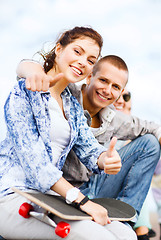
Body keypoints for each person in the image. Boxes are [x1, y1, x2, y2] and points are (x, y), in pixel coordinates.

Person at [0, 27, 137, 240]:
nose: (83, 62)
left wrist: (105, 159)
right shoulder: (24, 92)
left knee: (126, 235)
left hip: (49, 198)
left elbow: (89, 148)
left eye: (91, 60)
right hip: (13, 195)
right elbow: (37, 165)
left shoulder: (71, 105)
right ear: (58, 49)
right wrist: (83, 201)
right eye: (77, 52)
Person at [16, 54, 161, 237]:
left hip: (94, 188)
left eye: (115, 87)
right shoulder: (68, 95)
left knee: (149, 143)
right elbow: (24, 69)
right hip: (61, 187)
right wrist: (35, 72)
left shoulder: (114, 119)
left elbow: (153, 128)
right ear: (90, 77)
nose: (107, 90)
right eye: (103, 80)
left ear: (121, 91)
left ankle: (127, 220)